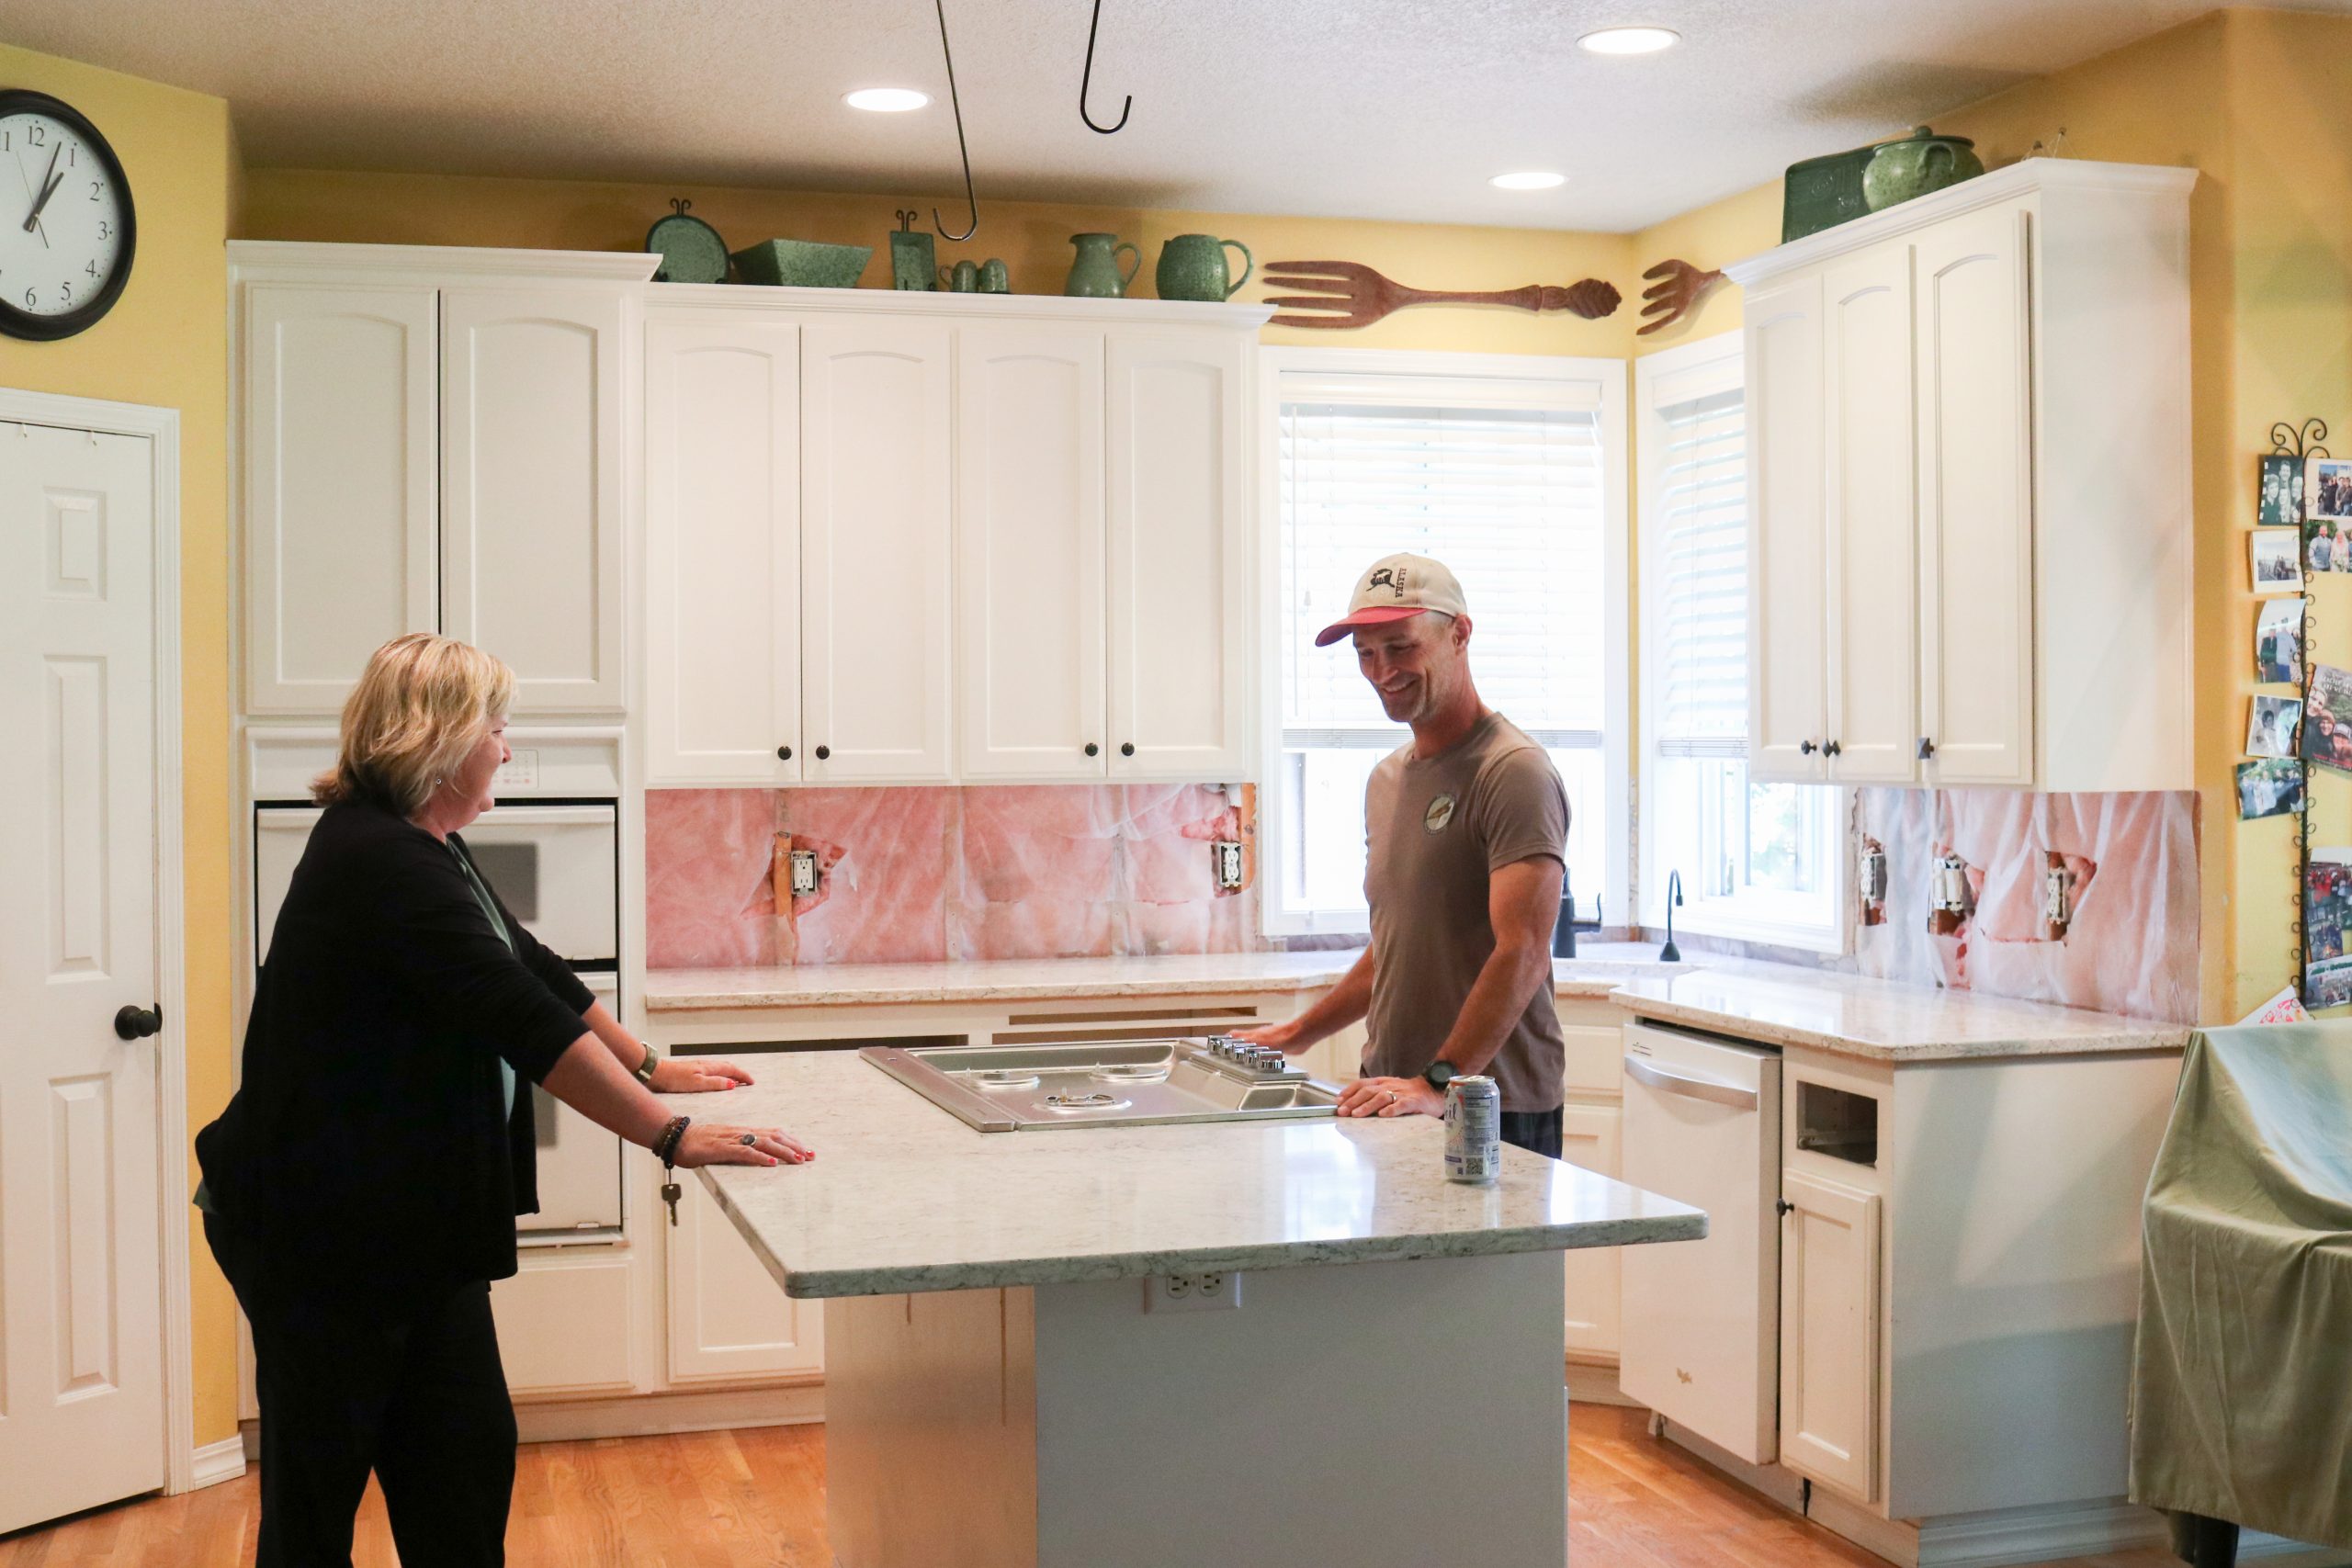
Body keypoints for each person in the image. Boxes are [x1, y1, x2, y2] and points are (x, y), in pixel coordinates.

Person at [195, 634, 812, 1566]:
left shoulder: (418, 843)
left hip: (408, 1229)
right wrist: (670, 1135)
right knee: (318, 1504)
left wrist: (649, 1065)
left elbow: (525, 962)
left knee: (462, 1466)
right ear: (440, 740)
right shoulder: (378, 859)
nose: (507, 747)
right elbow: (521, 1021)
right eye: (497, 726)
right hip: (321, 1235)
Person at [1235, 554, 1571, 1156]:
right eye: (1366, 652)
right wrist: (1298, 1031)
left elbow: (1522, 949)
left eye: (1400, 645)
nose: (1382, 669)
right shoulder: (1388, 780)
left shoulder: (1513, 771)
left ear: (1459, 633)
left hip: (1488, 1106)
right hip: (1391, 1096)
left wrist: (1437, 1083)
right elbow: (1401, 940)